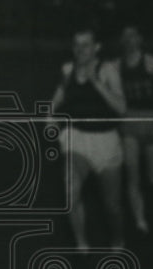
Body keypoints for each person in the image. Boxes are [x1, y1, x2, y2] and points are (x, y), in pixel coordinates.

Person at [51, 27, 127, 250]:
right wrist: (50, 117)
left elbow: (121, 108)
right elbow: (56, 101)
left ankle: (118, 239)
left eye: (85, 44)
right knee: (70, 195)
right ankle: (82, 244)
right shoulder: (67, 70)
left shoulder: (108, 70)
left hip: (105, 141)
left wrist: (96, 82)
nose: (80, 49)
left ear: (96, 47)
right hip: (76, 138)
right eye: (76, 44)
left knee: (112, 205)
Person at [115, 25, 153, 235]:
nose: (129, 40)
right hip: (130, 119)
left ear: (140, 39)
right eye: (125, 37)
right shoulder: (116, 66)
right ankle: (140, 221)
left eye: (133, 36)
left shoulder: (151, 63)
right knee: (132, 174)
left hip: (151, 119)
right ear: (122, 41)